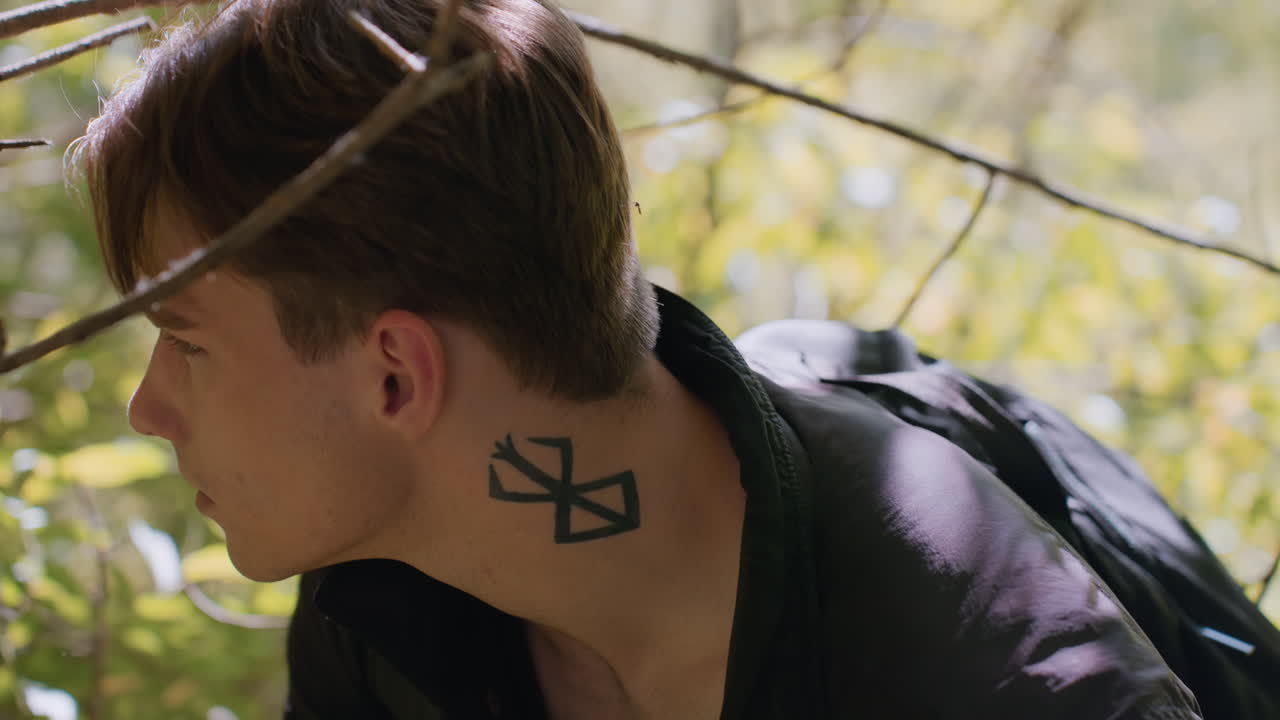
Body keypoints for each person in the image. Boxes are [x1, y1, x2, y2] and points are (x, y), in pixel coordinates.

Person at [74, 0, 1204, 717]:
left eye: (184, 341)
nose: (147, 409)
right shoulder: (380, 607)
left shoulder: (1000, 684)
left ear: (393, 378)